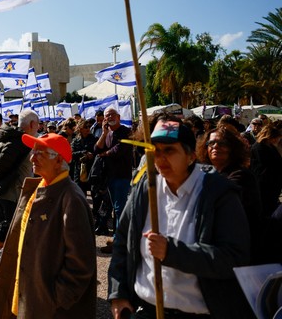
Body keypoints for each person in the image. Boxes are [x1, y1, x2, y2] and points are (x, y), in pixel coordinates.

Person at [108, 115, 254, 319]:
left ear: (191, 156)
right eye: (155, 151)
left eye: (169, 150)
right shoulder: (146, 187)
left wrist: (172, 252)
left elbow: (233, 257)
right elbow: (123, 241)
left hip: (197, 313)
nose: (160, 159)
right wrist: (118, 294)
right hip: (146, 309)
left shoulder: (217, 194)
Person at [0, 132, 96, 319]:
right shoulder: (37, 187)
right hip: (29, 300)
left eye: (40, 153)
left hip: (49, 309)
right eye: (33, 152)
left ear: (58, 160)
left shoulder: (71, 198)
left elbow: (81, 264)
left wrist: (55, 300)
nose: (32, 157)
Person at [197, 126, 264, 264]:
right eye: (211, 143)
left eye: (222, 143)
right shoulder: (208, 173)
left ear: (232, 148)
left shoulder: (241, 175)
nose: (215, 146)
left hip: (241, 250)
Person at [0, 110, 39, 224]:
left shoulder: (8, 137)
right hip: (12, 196)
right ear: (32, 124)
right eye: (37, 124)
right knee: (9, 236)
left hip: (2, 192)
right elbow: (0, 165)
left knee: (3, 233)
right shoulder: (20, 143)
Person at [95, 106, 134, 253]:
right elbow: (96, 149)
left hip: (121, 176)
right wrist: (104, 134)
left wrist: (105, 154)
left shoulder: (126, 131)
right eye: (107, 116)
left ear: (118, 116)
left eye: (112, 115)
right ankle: (119, 239)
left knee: (120, 209)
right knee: (116, 209)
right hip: (109, 177)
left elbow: (119, 150)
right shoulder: (108, 133)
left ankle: (120, 242)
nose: (109, 118)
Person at [250, 122, 282, 217]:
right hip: (265, 185)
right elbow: (265, 166)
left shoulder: (269, 147)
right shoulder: (258, 148)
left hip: (272, 185)